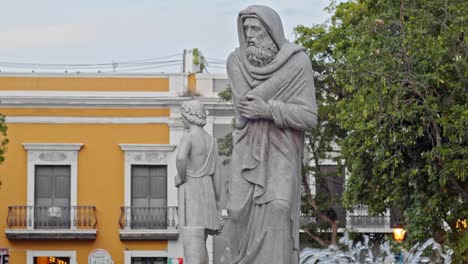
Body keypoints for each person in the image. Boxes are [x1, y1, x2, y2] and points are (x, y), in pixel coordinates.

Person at [225, 5, 318, 264]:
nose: (250, 35)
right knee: (234, 213)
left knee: (278, 208)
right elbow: (244, 109)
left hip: (282, 148)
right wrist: (261, 104)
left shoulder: (299, 62)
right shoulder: (236, 62)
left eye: (255, 29)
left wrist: (268, 109)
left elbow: (309, 116)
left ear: (271, 31)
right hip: (246, 148)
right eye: (246, 30)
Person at [175, 100, 221, 264]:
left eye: (183, 116)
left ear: (190, 115)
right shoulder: (212, 142)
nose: (181, 120)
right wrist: (217, 203)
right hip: (207, 191)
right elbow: (217, 176)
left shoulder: (188, 136)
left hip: (192, 187)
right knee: (202, 241)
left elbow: (181, 157)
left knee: (191, 238)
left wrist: (181, 177)